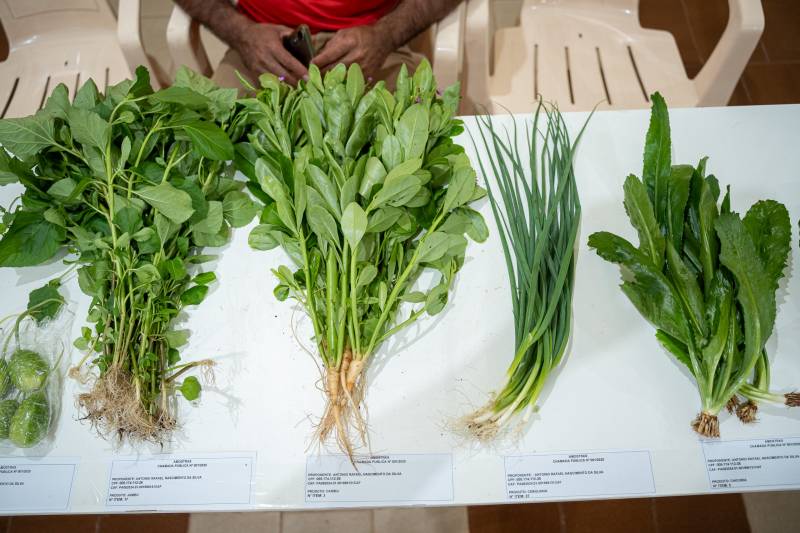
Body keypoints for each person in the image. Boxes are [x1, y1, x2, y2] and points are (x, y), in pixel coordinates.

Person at [173, 0, 461, 90]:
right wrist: (242, 34)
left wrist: (387, 35)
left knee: (420, 163)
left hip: (375, 45)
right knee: (211, 163)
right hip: (260, 47)